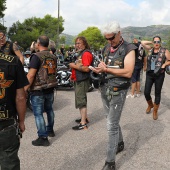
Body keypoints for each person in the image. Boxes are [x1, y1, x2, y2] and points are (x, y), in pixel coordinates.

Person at [90, 21, 137, 170]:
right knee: (111, 120)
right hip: (105, 88)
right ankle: (120, 143)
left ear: (119, 33)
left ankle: (110, 163)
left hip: (118, 89)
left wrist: (107, 70)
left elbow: (128, 72)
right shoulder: (106, 48)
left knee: (111, 125)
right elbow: (104, 65)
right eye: (107, 38)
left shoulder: (129, 48)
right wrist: (99, 69)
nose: (110, 41)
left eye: (112, 38)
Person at [24, 35, 57, 146]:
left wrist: (25, 89)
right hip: (50, 88)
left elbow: (31, 75)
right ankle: (50, 130)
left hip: (38, 89)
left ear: (38, 44)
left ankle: (43, 138)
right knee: (49, 110)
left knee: (38, 114)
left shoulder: (36, 56)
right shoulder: (53, 56)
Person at [0, 46, 28, 169]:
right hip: (6, 121)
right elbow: (21, 97)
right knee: (9, 162)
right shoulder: (13, 61)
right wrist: (21, 121)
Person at [141, 36, 170, 120]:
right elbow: (142, 42)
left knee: (157, 93)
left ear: (160, 43)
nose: (156, 43)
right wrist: (151, 42)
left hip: (159, 75)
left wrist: (164, 65)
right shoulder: (150, 49)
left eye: (158, 42)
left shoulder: (164, 50)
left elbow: (169, 60)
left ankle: (155, 111)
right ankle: (150, 105)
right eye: (155, 42)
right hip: (150, 74)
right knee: (146, 92)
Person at [69, 36, 93, 130]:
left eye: (79, 43)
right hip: (79, 79)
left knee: (81, 101)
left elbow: (86, 68)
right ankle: (85, 118)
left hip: (82, 80)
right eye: (76, 43)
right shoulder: (82, 53)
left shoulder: (86, 54)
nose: (77, 45)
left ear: (84, 43)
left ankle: (83, 123)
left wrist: (73, 66)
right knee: (82, 99)